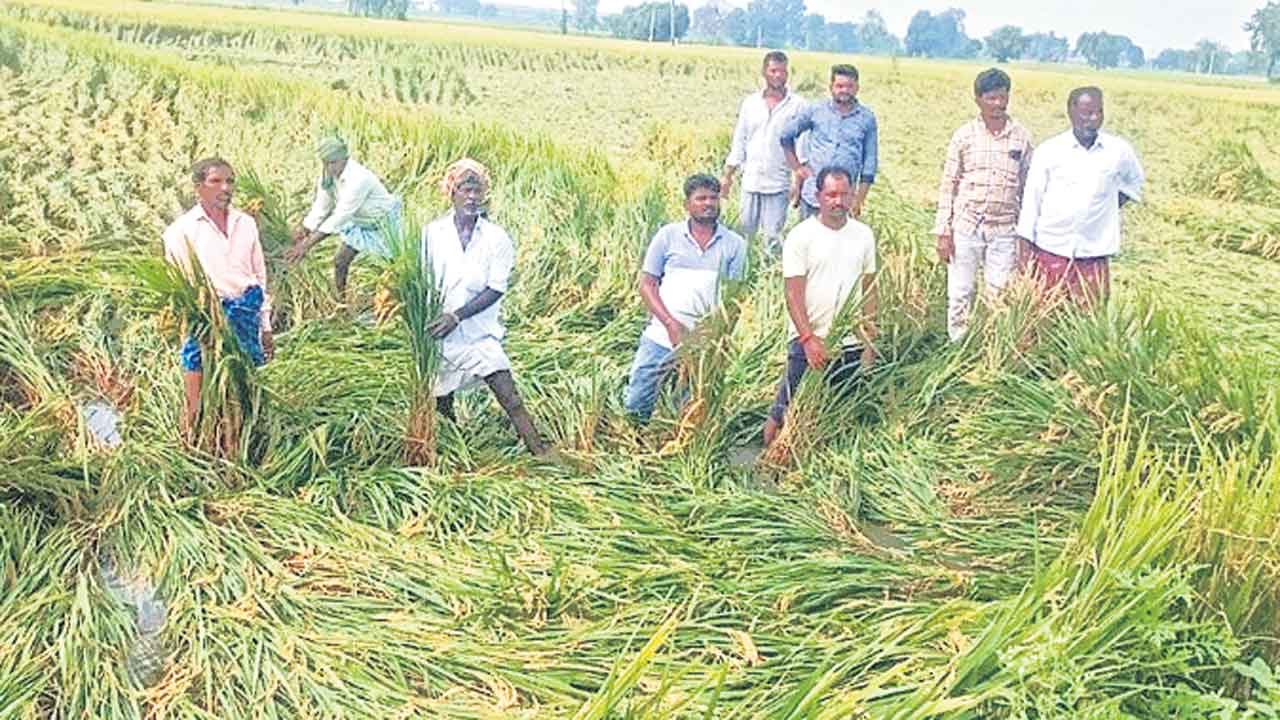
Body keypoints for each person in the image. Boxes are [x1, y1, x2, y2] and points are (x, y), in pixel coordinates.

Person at [421, 158, 548, 455]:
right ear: (451, 192)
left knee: (509, 395)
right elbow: (421, 280)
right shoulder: (432, 234)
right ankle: (452, 454)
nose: (472, 197)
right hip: (439, 333)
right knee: (441, 399)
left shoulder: (496, 238)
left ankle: (540, 452)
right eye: (465, 189)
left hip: (479, 334)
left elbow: (495, 288)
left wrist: (458, 316)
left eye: (477, 190)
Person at [763, 167, 878, 447]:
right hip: (808, 341)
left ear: (853, 196)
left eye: (844, 194)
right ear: (818, 197)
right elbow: (792, 295)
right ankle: (766, 459)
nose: (838, 201)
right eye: (831, 195)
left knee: (839, 408)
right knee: (784, 408)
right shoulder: (801, 236)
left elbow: (870, 291)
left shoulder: (863, 235)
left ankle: (824, 460)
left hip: (849, 342)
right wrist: (808, 339)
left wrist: (870, 342)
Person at [623, 174, 747, 423]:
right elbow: (647, 285)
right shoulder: (667, 236)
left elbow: (735, 300)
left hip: (703, 344)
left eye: (713, 198)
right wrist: (670, 324)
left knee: (691, 412)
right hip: (661, 335)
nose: (708, 203)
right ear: (687, 205)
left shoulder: (735, 245)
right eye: (700, 198)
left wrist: (713, 341)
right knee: (637, 403)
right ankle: (634, 444)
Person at [162, 157, 274, 431]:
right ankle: (191, 443)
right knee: (197, 401)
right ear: (198, 188)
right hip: (207, 320)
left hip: (246, 315)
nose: (225, 188)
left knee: (247, 395)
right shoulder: (180, 232)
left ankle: (245, 442)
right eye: (216, 181)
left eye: (230, 181)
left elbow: (259, 276)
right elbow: (179, 288)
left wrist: (265, 326)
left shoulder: (246, 223)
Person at [1015, 86, 1145, 306]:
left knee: (1088, 324)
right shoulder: (1049, 151)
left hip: (1093, 254)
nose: (1092, 120)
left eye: (1098, 113)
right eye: (1086, 113)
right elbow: (1031, 203)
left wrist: (1106, 207)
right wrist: (1024, 252)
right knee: (1043, 318)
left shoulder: (1118, 151)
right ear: (1071, 112)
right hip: (1051, 249)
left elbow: (1134, 183)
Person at [933, 67, 1035, 341]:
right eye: (991, 98)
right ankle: (956, 347)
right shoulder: (964, 136)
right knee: (960, 293)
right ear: (978, 99)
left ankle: (991, 349)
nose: (998, 105)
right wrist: (943, 231)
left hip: (1004, 230)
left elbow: (1028, 189)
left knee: (999, 294)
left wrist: (1026, 236)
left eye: (1003, 98)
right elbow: (949, 184)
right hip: (967, 227)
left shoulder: (1021, 137)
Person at [286, 134, 402, 298]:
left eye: (333, 163)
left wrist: (305, 246)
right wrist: (303, 231)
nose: (329, 168)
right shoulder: (328, 177)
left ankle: (390, 304)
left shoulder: (359, 179)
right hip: (360, 224)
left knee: (392, 271)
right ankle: (341, 302)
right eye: (325, 163)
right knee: (340, 261)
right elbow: (321, 207)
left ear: (345, 159)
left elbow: (339, 217)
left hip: (384, 226)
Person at [721, 50, 807, 256]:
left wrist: (798, 181)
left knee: (773, 239)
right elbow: (740, 141)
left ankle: (769, 280)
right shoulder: (750, 103)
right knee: (744, 235)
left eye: (783, 71)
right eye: (773, 71)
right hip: (751, 181)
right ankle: (741, 278)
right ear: (764, 72)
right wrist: (728, 176)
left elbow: (802, 146)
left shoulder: (798, 106)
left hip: (778, 183)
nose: (778, 76)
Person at [778, 64, 878, 220]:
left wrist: (859, 200)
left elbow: (870, 164)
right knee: (808, 241)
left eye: (849, 86)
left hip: (844, 200)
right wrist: (797, 168)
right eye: (839, 86)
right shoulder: (815, 110)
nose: (844, 90)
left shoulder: (866, 118)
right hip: (813, 196)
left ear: (857, 87)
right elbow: (785, 135)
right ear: (831, 87)